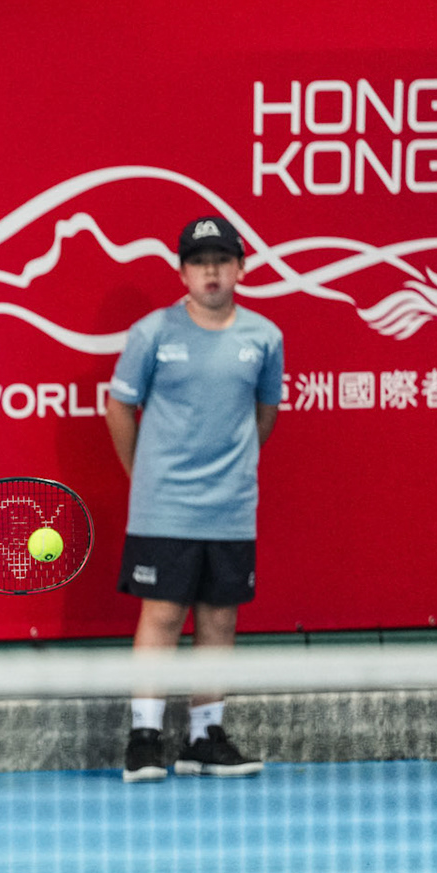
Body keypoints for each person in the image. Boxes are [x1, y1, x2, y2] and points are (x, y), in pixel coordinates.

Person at [105, 215, 283, 783]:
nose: (211, 272)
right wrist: (146, 476)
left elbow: (265, 414)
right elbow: (118, 410)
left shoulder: (265, 338)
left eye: (221, 261)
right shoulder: (151, 333)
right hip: (164, 506)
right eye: (199, 262)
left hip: (231, 507)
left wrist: (233, 467)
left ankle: (205, 736)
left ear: (240, 267)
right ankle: (145, 737)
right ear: (182, 271)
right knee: (160, 615)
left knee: (220, 620)